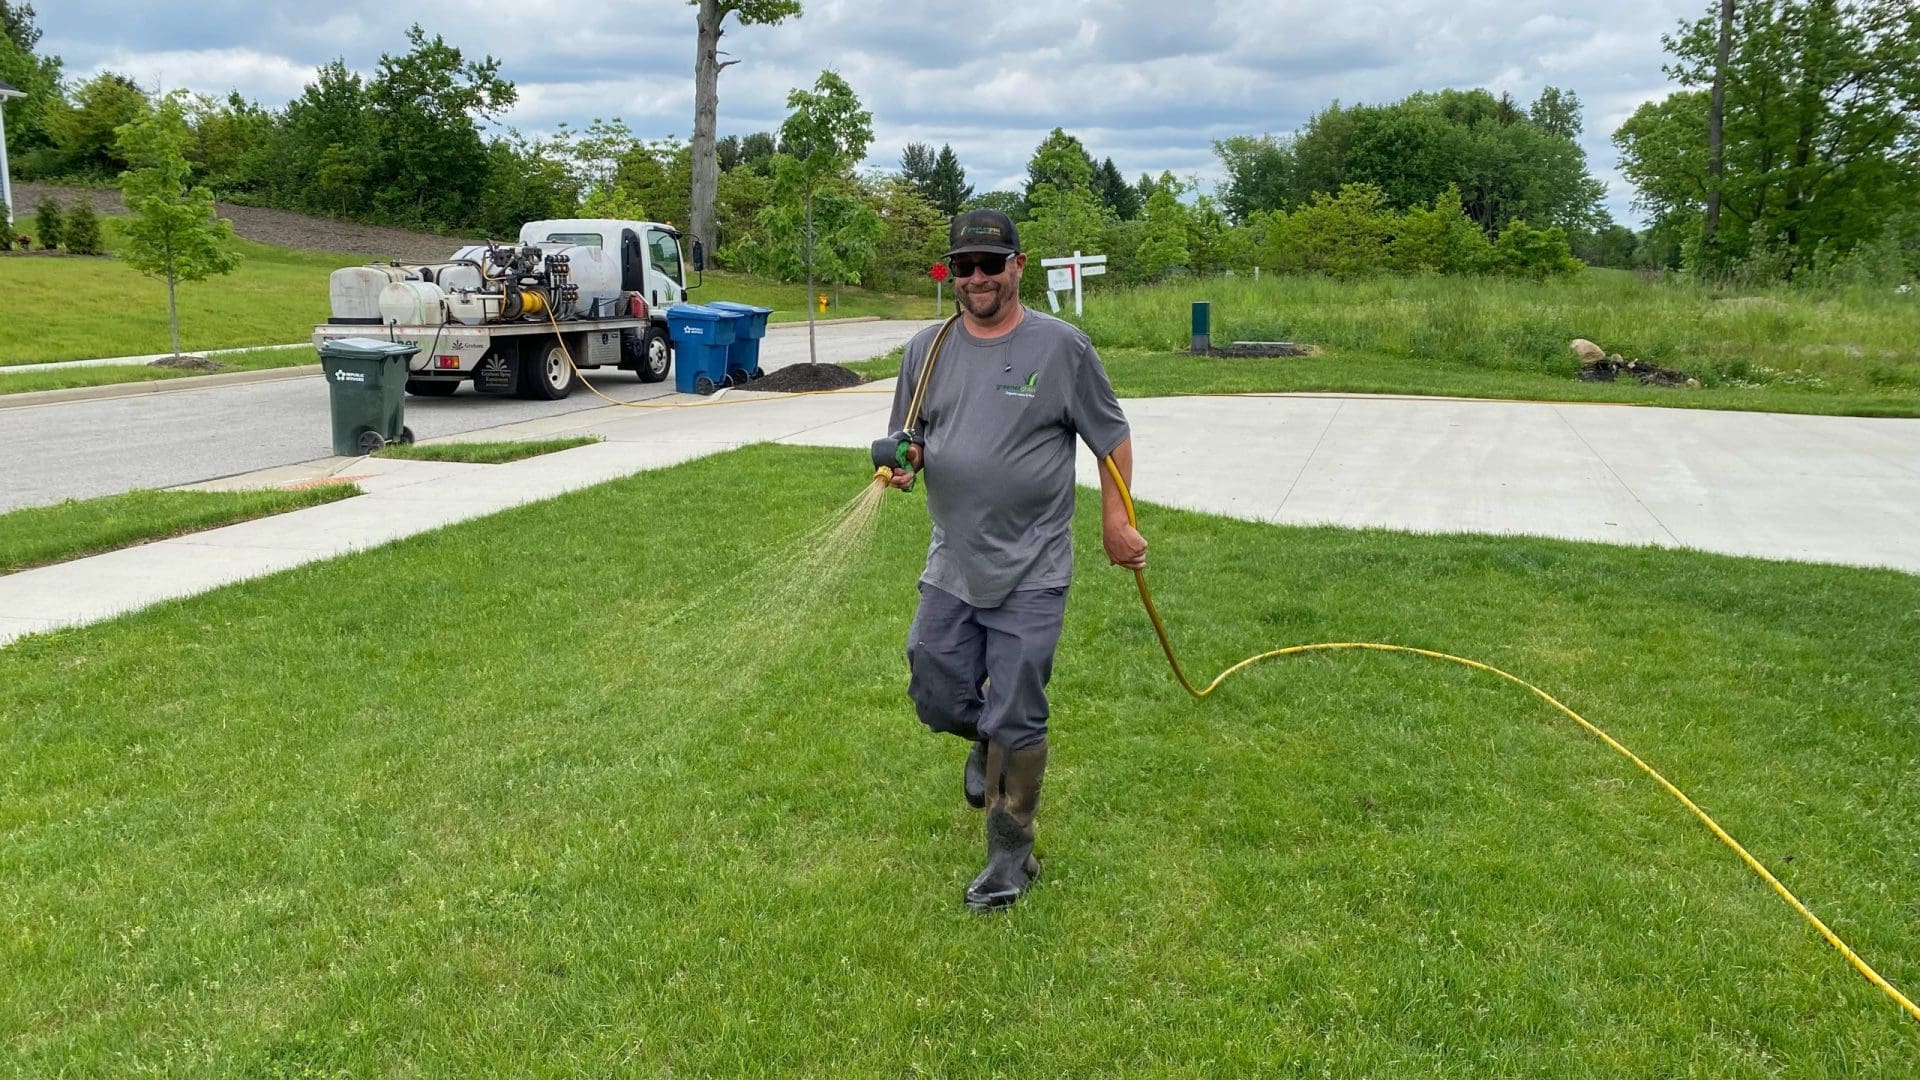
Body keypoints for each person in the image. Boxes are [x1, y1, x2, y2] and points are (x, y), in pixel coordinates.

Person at [884, 208, 1147, 911]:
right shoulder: (928, 348)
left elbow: (1112, 437)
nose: (975, 279)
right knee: (933, 687)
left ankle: (1010, 856)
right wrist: (904, 465)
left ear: (1017, 268)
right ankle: (984, 739)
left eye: (989, 265)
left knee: (1021, 711)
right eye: (961, 267)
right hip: (953, 561)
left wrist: (1116, 517)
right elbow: (910, 437)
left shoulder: (1062, 349)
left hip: (1033, 565)